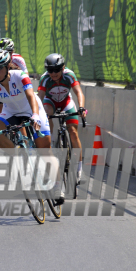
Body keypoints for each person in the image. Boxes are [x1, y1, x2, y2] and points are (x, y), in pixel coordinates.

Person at [0, 49, 51, 148]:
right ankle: (17, 156)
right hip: (11, 112)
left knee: (45, 152)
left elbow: (31, 96)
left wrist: (35, 115)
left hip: (31, 110)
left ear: (7, 66)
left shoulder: (20, 76)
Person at [37, 53, 87, 182]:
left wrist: (81, 107)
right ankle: (53, 142)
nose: (53, 74)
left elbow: (78, 92)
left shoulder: (69, 75)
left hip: (66, 102)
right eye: (50, 70)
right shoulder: (45, 78)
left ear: (63, 68)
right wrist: (37, 114)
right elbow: (40, 98)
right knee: (46, 113)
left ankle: (79, 168)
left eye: (56, 70)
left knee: (73, 133)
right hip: (50, 102)